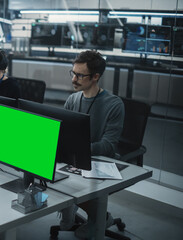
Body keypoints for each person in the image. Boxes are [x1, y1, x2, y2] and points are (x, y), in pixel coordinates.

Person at [60, 50, 125, 238]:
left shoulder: (114, 104)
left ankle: (101, 218)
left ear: (96, 77)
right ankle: (71, 207)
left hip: (102, 162)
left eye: (80, 75)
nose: (74, 79)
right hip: (75, 159)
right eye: (73, 73)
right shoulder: (73, 99)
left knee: (72, 185)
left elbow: (108, 146)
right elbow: (64, 135)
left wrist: (75, 149)